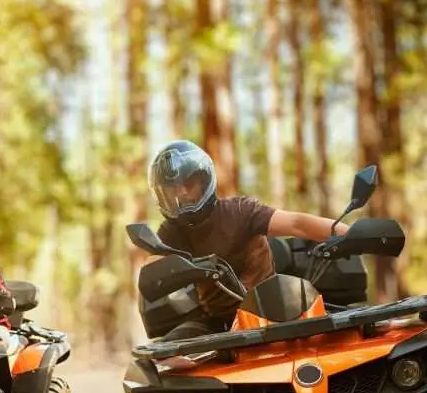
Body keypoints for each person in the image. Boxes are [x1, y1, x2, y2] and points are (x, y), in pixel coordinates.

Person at [148, 139, 351, 341]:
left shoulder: (239, 211)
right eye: (172, 189)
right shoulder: (170, 233)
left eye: (189, 184)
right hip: (220, 326)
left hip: (274, 309)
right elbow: (152, 271)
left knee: (359, 332)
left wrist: (353, 234)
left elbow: (296, 223)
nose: (182, 193)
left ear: (203, 180)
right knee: (160, 357)